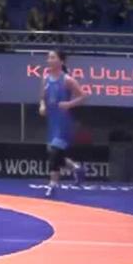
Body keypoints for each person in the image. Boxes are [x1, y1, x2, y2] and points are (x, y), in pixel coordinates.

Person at [38, 50, 89, 197]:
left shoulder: (67, 80)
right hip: (52, 120)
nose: (49, 60)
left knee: (55, 153)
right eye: (48, 58)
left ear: (61, 61)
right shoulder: (45, 79)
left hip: (64, 121)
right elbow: (42, 97)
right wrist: (42, 106)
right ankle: (76, 168)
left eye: (53, 58)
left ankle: (52, 185)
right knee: (54, 153)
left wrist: (69, 104)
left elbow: (83, 96)